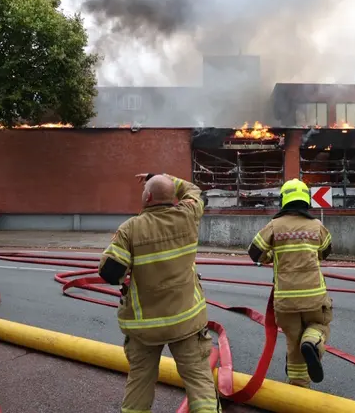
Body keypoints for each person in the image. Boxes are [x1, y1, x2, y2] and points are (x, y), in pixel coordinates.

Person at [97, 172, 219, 413]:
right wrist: (161, 176)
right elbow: (195, 190)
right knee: (199, 382)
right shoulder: (188, 215)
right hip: (186, 321)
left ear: (148, 196)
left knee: (140, 383)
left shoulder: (131, 229)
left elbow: (110, 272)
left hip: (145, 328)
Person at [246, 178, 333, 389]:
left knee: (292, 343)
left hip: (285, 300)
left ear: (284, 200)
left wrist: (272, 257)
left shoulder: (274, 226)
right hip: (314, 297)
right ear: (306, 199)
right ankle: (312, 342)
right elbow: (326, 252)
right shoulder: (316, 226)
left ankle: (297, 389)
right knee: (319, 325)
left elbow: (254, 252)